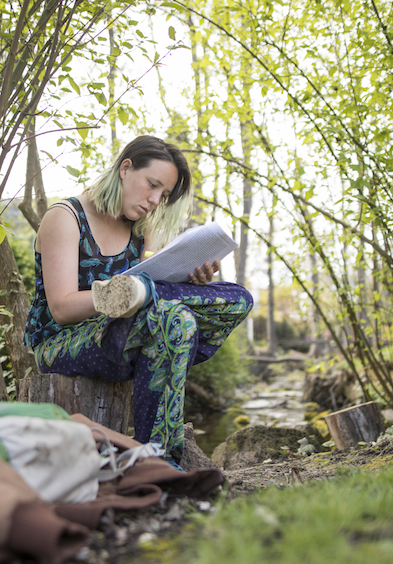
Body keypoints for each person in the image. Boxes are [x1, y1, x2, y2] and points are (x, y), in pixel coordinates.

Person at [24, 135, 253, 466]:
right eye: (152, 185)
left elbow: (153, 280)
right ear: (126, 168)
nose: (155, 200)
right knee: (176, 319)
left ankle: (149, 455)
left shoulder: (141, 228)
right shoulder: (66, 216)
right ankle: (163, 459)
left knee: (238, 298)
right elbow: (61, 309)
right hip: (63, 344)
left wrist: (187, 281)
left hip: (127, 333)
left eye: (163, 195)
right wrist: (114, 295)